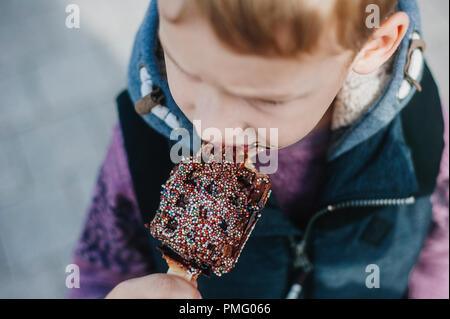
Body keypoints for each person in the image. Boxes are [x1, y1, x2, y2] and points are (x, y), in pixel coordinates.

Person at [69, 0, 448, 299]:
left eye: (265, 101)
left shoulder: (420, 138)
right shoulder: (142, 146)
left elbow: (441, 253)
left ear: (372, 46)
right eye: (187, 69)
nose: (212, 128)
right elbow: (98, 269)